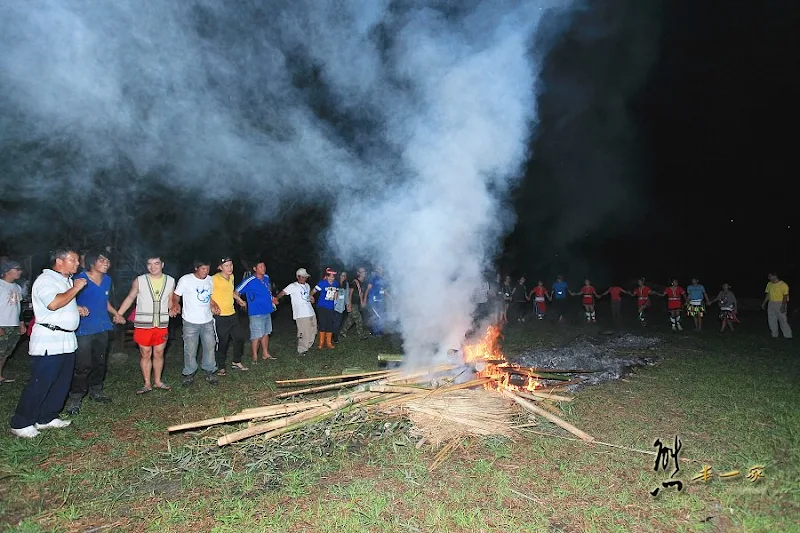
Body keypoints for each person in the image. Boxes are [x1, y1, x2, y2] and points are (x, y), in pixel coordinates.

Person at [9, 248, 87, 438]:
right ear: (59, 261)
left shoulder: (64, 280)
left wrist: (76, 307)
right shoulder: (46, 280)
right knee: (42, 382)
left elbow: (59, 304)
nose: (78, 264)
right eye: (74, 260)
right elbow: (52, 303)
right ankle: (21, 422)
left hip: (66, 340)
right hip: (48, 339)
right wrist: (76, 288)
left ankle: (46, 417)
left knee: (61, 382)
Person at [65, 250, 122, 415]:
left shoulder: (107, 279)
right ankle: (76, 397)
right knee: (82, 364)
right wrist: (77, 308)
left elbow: (104, 302)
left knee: (100, 361)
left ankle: (96, 390)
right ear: (91, 262)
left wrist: (116, 313)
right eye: (101, 260)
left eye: (107, 260)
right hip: (83, 328)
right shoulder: (79, 279)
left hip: (102, 326)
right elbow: (67, 299)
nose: (106, 263)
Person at [116, 255, 177, 394]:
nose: (152, 267)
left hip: (161, 323)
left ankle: (158, 381)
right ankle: (147, 383)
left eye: (156, 263)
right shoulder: (140, 280)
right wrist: (119, 313)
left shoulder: (170, 281)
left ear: (162, 264)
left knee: (159, 352)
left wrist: (172, 308)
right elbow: (131, 297)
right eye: (149, 264)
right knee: (145, 353)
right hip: (143, 323)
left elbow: (170, 300)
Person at [172, 260, 220, 386]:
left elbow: (209, 297)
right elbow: (176, 295)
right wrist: (175, 304)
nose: (206, 271)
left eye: (208, 269)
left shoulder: (209, 280)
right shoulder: (186, 280)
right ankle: (189, 373)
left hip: (207, 320)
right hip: (190, 321)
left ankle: (209, 371)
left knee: (210, 346)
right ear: (196, 268)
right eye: (203, 269)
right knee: (190, 349)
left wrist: (214, 305)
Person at [211, 256, 248, 374]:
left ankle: (236, 361)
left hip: (232, 313)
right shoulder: (213, 279)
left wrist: (239, 300)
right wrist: (213, 305)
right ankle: (220, 366)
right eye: (226, 266)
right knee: (223, 341)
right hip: (220, 316)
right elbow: (207, 294)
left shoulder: (231, 277)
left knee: (240, 338)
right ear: (220, 267)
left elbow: (230, 291)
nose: (230, 268)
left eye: (231, 265)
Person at [235, 260, 276, 362]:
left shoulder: (266, 277)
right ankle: (254, 356)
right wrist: (240, 301)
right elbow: (236, 291)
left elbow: (267, 289)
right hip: (256, 312)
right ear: (255, 269)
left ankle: (265, 353)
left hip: (267, 310)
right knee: (256, 335)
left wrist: (272, 298)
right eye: (261, 266)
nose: (263, 268)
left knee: (266, 332)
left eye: (264, 266)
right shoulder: (249, 280)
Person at [275, 268, 318, 356]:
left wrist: (311, 298)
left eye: (306, 277)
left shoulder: (307, 285)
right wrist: (275, 299)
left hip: (310, 311)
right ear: (298, 277)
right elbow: (282, 293)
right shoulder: (293, 286)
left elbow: (308, 296)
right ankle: (302, 350)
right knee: (304, 332)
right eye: (303, 277)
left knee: (313, 330)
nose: (304, 279)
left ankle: (308, 346)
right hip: (301, 314)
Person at [0, 261, 26, 384]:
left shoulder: (17, 287)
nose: (20, 271)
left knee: (6, 352)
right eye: (17, 269)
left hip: (13, 325)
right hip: (2, 324)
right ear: (7, 270)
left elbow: (18, 307)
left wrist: (21, 323)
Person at [311, 268, 339, 349]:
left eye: (333, 277)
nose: (331, 278)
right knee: (323, 323)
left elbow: (336, 292)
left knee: (330, 324)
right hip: (322, 306)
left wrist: (336, 300)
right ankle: (321, 342)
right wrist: (311, 296)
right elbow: (313, 291)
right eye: (329, 277)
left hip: (331, 307)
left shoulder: (336, 283)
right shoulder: (322, 283)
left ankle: (329, 342)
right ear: (326, 277)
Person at [340, 267, 369, 340]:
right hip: (353, 304)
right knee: (359, 319)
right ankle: (361, 334)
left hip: (358, 304)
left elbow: (363, 293)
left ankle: (343, 331)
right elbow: (350, 293)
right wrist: (349, 304)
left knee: (350, 319)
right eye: (362, 272)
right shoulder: (355, 282)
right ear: (358, 273)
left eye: (364, 271)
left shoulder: (363, 283)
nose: (364, 273)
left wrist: (363, 301)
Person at [761, 272, 792, 339]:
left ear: (775, 276)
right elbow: (768, 295)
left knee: (782, 319)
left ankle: (788, 335)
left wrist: (783, 306)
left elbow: (785, 296)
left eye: (770, 276)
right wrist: (764, 303)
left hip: (780, 303)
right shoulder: (769, 284)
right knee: (771, 319)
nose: (768, 278)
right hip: (771, 303)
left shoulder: (783, 285)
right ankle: (774, 334)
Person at [365, 266, 388, 336]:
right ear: (376, 270)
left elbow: (384, 291)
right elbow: (368, 289)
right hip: (373, 300)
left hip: (380, 300)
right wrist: (364, 299)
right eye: (378, 269)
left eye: (381, 268)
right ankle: (374, 332)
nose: (380, 270)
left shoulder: (383, 279)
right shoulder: (373, 278)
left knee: (381, 316)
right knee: (376, 316)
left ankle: (379, 330)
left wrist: (391, 298)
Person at [332, 270, 350, 343]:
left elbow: (347, 295)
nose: (343, 277)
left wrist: (348, 304)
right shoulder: (335, 283)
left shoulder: (346, 284)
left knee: (338, 322)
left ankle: (335, 335)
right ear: (339, 276)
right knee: (333, 322)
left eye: (344, 276)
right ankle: (332, 336)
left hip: (341, 306)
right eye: (342, 275)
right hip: (333, 306)